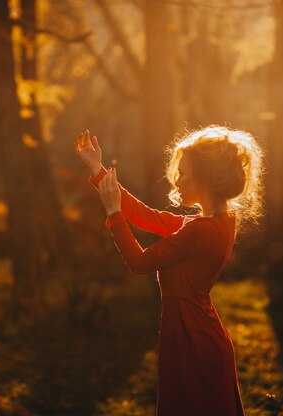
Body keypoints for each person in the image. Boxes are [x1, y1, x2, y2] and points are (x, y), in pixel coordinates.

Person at [74, 126, 264, 415]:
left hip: (193, 341)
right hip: (193, 334)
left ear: (206, 179)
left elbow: (139, 263)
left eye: (184, 173)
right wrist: (98, 170)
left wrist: (113, 213)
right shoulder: (214, 222)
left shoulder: (201, 230)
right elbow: (145, 216)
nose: (177, 180)